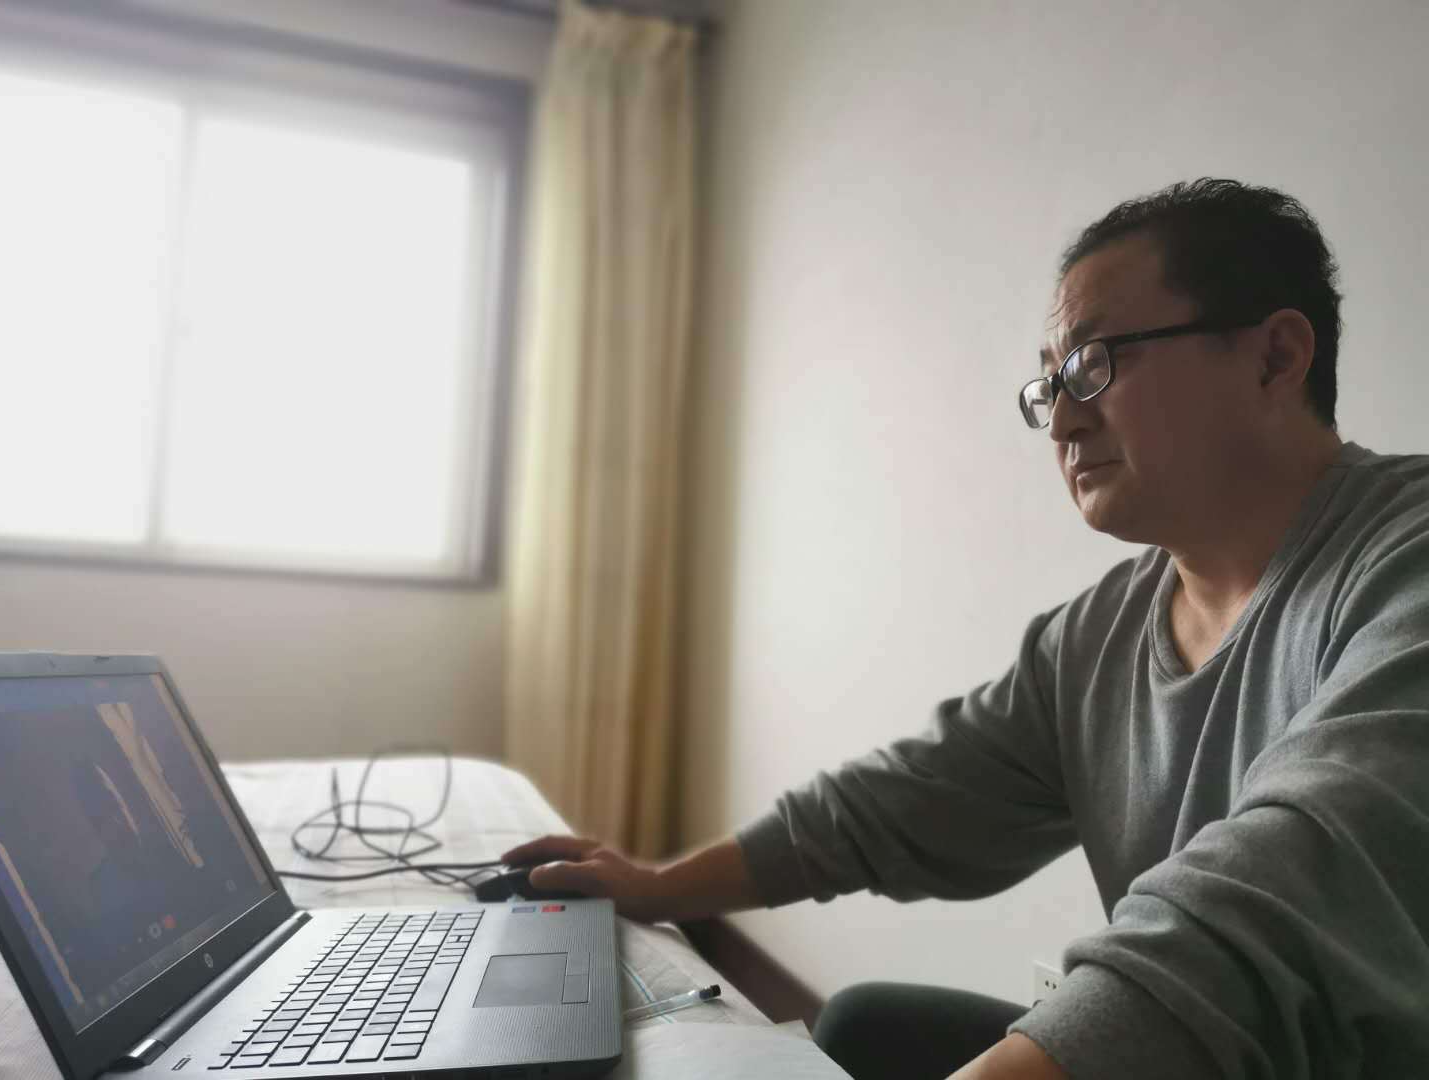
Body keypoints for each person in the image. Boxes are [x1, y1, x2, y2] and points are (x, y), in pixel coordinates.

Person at [502, 179, 1429, 1079]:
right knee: (868, 1023)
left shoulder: (1404, 563)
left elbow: (1277, 902)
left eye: (1096, 363)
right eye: (1051, 384)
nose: (1063, 422)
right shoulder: (1098, 634)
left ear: (1274, 356)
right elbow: (904, 801)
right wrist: (659, 885)